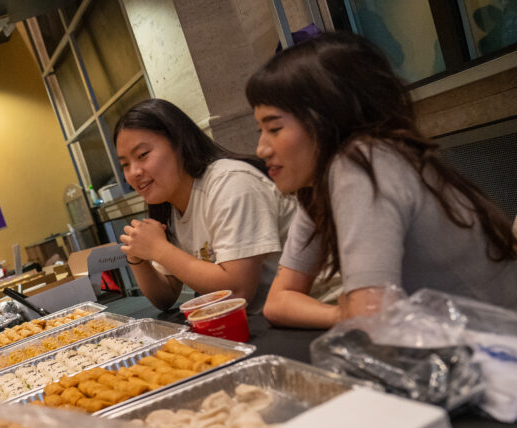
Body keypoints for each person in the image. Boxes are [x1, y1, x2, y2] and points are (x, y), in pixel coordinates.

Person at [247, 32, 517, 328]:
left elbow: (372, 316)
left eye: (274, 129)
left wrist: (357, 312)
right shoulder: (319, 185)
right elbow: (278, 301)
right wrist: (343, 314)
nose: (261, 149)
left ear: (326, 119)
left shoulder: (362, 163)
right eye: (260, 130)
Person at [113, 98, 297, 313]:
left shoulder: (230, 183)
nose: (134, 172)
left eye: (142, 155)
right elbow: (165, 297)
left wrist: (158, 249)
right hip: (256, 321)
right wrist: (138, 258)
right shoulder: (169, 206)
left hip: (309, 314)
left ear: (179, 143)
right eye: (125, 164)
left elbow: (237, 292)